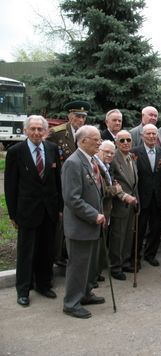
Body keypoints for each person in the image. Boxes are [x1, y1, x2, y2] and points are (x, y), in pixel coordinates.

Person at [5, 115, 62, 307]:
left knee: (47, 249)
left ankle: (43, 284)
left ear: (45, 131)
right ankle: (23, 290)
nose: (37, 132)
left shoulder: (52, 149)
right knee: (26, 252)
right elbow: (10, 186)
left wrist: (59, 207)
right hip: (27, 210)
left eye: (40, 129)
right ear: (26, 131)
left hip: (49, 209)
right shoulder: (15, 152)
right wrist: (13, 214)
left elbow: (57, 181)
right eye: (33, 129)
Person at [62, 125, 106, 319]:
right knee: (78, 265)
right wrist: (94, 214)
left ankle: (86, 293)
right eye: (95, 139)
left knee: (89, 264)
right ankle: (71, 303)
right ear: (83, 141)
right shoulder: (73, 163)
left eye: (99, 139)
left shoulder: (91, 160)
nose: (99, 142)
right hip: (81, 225)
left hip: (92, 224)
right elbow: (72, 198)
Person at [48, 100, 90, 267]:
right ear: (70, 116)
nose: (80, 120)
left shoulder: (86, 133)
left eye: (83, 117)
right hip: (60, 183)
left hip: (80, 183)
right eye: (77, 116)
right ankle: (57, 256)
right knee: (61, 221)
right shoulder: (57, 133)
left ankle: (68, 254)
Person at [130, 124, 161, 267]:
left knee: (155, 229)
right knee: (139, 230)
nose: (152, 136)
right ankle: (135, 258)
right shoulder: (134, 152)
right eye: (148, 134)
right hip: (141, 198)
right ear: (142, 136)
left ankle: (150, 255)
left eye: (154, 134)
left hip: (157, 199)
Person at [109, 130, 139, 280]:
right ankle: (115, 267)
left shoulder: (131, 157)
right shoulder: (113, 158)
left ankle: (125, 262)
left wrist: (136, 200)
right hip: (119, 205)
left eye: (128, 140)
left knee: (128, 235)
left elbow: (134, 183)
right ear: (116, 143)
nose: (126, 143)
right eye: (122, 140)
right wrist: (122, 196)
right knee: (118, 237)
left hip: (131, 205)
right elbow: (110, 183)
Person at [93, 140, 123, 285]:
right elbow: (102, 190)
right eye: (107, 152)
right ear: (99, 150)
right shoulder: (96, 166)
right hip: (97, 211)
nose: (110, 155)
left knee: (101, 243)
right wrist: (115, 190)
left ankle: (96, 273)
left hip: (105, 211)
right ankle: (92, 277)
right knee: (96, 245)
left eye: (112, 153)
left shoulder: (106, 166)